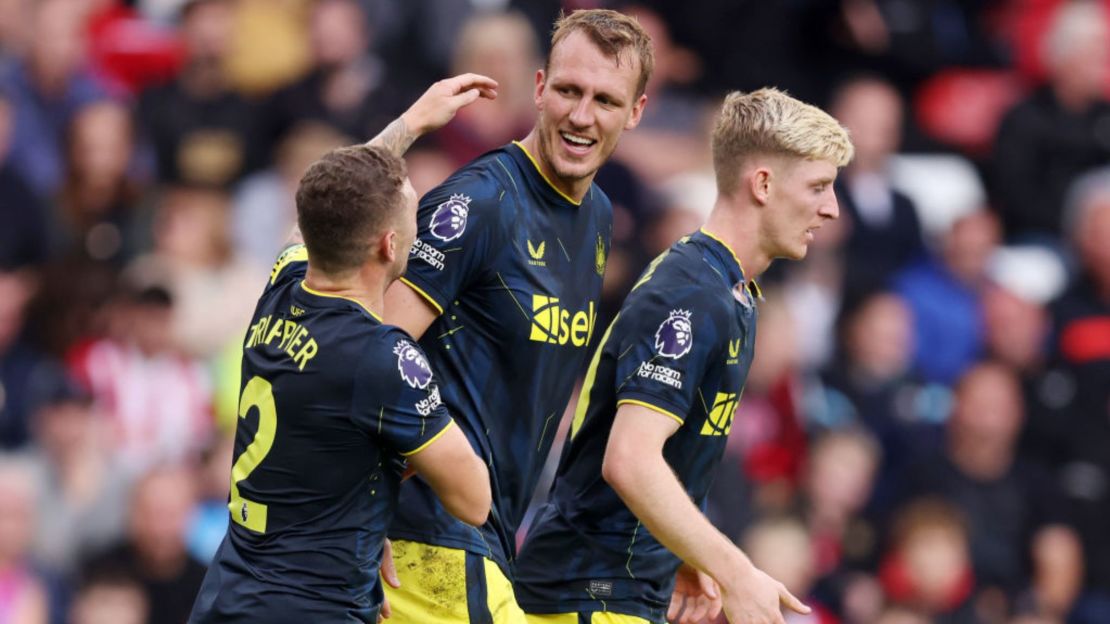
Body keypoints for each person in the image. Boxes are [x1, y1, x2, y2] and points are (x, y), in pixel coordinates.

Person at [514, 88, 854, 624]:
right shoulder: (692, 294)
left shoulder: (729, 291)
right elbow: (630, 459)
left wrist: (676, 550)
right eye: (818, 187)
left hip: (617, 588)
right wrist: (738, 572)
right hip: (586, 594)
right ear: (763, 183)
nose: (832, 208)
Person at [187, 73, 497, 624]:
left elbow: (329, 199)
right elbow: (474, 499)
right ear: (390, 244)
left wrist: (409, 125)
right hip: (311, 609)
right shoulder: (382, 358)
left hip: (226, 596)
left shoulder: (280, 288)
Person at [381, 9, 652, 623]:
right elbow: (374, 350)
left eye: (606, 99)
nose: (581, 116)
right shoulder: (477, 202)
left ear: (635, 112)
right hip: (424, 539)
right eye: (567, 91)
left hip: (495, 541)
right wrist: (361, 515)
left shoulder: (600, 216)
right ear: (537, 89)